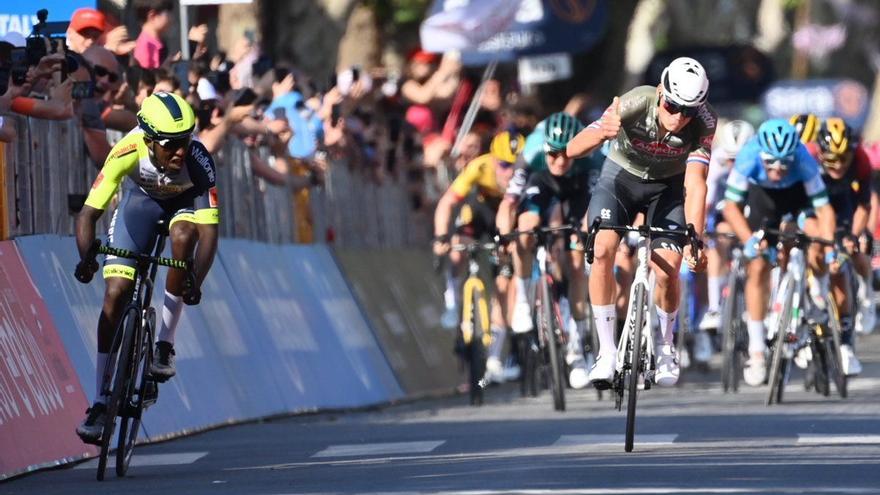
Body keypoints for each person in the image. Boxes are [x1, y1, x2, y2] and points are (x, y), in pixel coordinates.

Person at [73, 92, 220, 443]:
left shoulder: (199, 161)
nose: (180, 151)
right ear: (150, 141)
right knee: (115, 295)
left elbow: (209, 234)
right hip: (140, 206)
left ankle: (164, 345)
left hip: (183, 208)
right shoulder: (126, 150)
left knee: (185, 235)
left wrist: (195, 280)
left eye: (185, 141)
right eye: (171, 145)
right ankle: (99, 401)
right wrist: (86, 258)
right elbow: (88, 214)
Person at [566, 57, 716, 388]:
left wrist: (696, 238)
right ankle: (606, 351)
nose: (678, 118)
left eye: (687, 112)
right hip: (620, 179)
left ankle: (665, 347)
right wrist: (600, 133)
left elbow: (697, 182)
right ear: (661, 91)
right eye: (673, 106)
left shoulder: (704, 122)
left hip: (668, 188)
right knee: (603, 249)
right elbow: (572, 149)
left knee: (667, 269)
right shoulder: (637, 101)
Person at [721, 119, 836, 386]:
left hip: (797, 200)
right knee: (759, 265)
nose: (778, 169)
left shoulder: (804, 161)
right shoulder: (748, 157)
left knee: (816, 235)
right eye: (771, 162)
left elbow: (824, 210)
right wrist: (749, 239)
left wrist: (828, 247)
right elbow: (730, 207)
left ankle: (816, 289)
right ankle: (757, 351)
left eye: (785, 163)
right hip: (762, 202)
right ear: (761, 154)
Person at [507, 112, 602, 389]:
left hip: (578, 188)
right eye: (554, 155)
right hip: (542, 182)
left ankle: (577, 350)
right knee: (526, 227)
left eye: (566, 155)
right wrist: (506, 237)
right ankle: (524, 302)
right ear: (544, 148)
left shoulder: (592, 155)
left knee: (576, 263)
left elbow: (594, 206)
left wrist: (584, 234)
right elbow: (508, 203)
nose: (560, 161)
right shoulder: (533, 151)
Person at [433, 131, 524, 383]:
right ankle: (452, 298)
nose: (509, 172)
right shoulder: (479, 166)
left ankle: (494, 357)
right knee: (457, 244)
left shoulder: (525, 176)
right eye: (504, 165)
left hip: (507, 215)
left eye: (514, 166)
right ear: (494, 160)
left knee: (505, 284)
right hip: (480, 211)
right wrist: (441, 236)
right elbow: (447, 202)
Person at [804, 117, 871, 374]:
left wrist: (853, 235)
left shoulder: (860, 160)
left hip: (843, 205)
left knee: (843, 260)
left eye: (844, 160)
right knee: (814, 244)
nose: (839, 167)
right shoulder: (808, 158)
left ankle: (845, 342)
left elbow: (864, 205)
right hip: (811, 206)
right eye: (831, 160)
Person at [697, 120, 755, 357]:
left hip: (753, 205)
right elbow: (707, 199)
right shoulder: (717, 162)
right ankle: (714, 307)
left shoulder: (759, 160)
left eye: (739, 159)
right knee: (718, 237)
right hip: (725, 207)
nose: (734, 164)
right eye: (730, 159)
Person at [133, 0, 174, 69]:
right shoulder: (146, 46)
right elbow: (148, 77)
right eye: (168, 13)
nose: (172, 18)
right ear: (152, 16)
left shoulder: (158, 43)